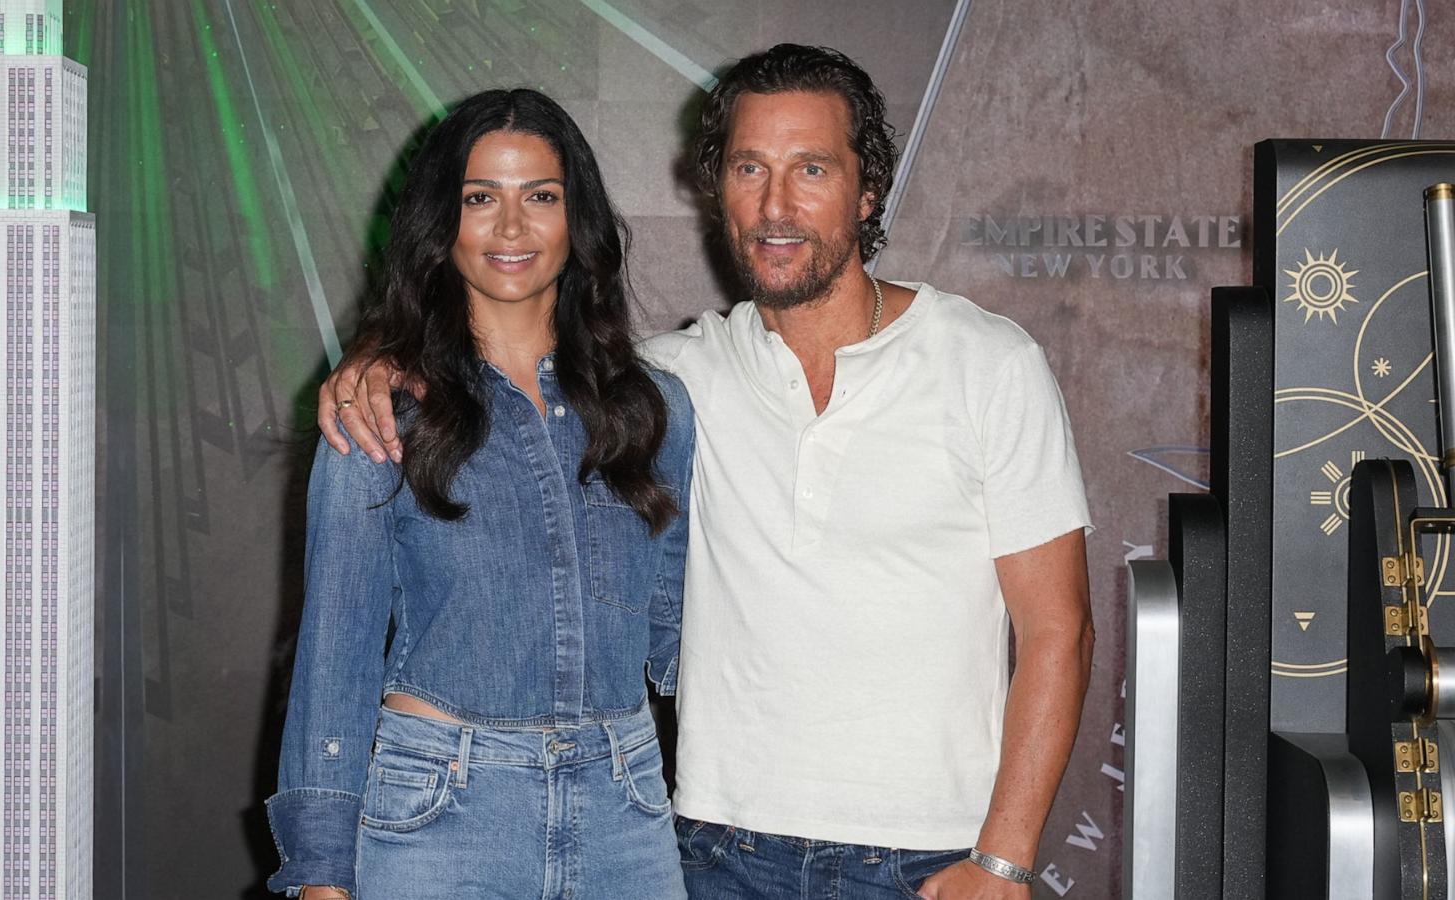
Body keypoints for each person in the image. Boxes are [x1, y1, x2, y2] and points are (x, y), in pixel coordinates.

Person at [320, 45, 1093, 900]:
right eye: (749, 168)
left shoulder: (988, 362)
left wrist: (1003, 860)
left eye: (811, 169)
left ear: (867, 190)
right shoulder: (673, 386)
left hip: (924, 861)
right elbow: (523, 357)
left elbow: (1058, 630)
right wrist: (380, 363)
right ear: (716, 188)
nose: (775, 204)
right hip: (713, 853)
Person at [266, 88, 695, 900]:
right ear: (441, 224)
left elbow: (682, 644)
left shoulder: (656, 411)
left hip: (625, 818)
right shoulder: (380, 419)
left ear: (578, 219)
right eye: (478, 199)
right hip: (441, 817)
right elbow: (335, 658)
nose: (510, 227)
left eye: (541, 196)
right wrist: (321, 873)